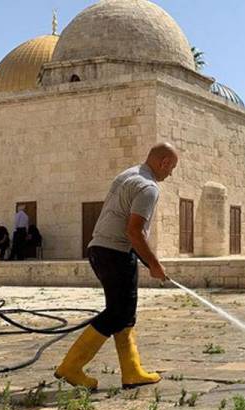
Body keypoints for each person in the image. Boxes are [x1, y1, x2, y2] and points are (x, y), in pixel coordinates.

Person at [55, 143, 178, 390]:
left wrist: (145, 260)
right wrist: (154, 265)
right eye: (171, 168)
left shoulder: (129, 174)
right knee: (117, 313)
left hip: (101, 250)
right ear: (163, 162)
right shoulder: (149, 188)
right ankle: (71, 367)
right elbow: (133, 231)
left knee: (124, 312)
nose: (171, 173)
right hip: (116, 252)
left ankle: (131, 371)